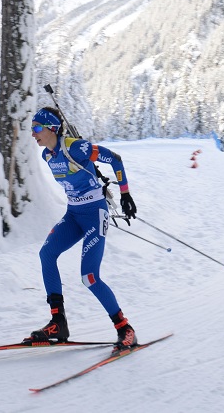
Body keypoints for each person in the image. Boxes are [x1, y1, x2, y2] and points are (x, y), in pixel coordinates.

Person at [24, 106, 139, 352]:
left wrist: (125, 194)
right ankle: (58, 324)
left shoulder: (76, 147)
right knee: (47, 254)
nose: (33, 134)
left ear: (52, 128)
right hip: (74, 214)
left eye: (36, 128)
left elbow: (115, 159)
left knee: (89, 277)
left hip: (95, 215)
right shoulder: (48, 156)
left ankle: (125, 329)